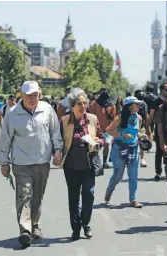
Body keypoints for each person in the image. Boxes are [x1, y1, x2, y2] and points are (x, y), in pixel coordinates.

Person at [0, 81, 62, 248]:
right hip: (21, 163)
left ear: (39, 95)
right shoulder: (12, 114)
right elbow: (5, 140)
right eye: (29, 96)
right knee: (24, 195)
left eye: (35, 95)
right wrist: (4, 162)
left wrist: (57, 150)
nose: (33, 99)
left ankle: (35, 225)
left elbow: (55, 132)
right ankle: (25, 230)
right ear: (22, 96)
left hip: (42, 162)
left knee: (37, 197)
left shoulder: (47, 109)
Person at [60, 88, 105, 241]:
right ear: (72, 105)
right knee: (73, 198)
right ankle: (75, 228)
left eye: (85, 103)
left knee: (89, 195)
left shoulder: (92, 118)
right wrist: (57, 153)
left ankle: (86, 223)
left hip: (88, 165)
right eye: (79, 103)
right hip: (71, 167)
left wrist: (99, 142)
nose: (83, 106)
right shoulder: (65, 121)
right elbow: (58, 141)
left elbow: (102, 137)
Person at [105, 96, 145, 208]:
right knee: (118, 175)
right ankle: (109, 191)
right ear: (130, 106)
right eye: (136, 104)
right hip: (119, 149)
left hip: (133, 148)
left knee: (133, 175)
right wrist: (123, 134)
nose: (139, 106)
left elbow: (137, 133)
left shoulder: (139, 118)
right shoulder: (120, 118)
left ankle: (133, 199)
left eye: (139, 104)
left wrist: (142, 136)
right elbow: (109, 130)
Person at [147, 82, 167, 181]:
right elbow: (151, 116)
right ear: (162, 90)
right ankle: (158, 172)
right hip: (159, 129)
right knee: (159, 151)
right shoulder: (156, 102)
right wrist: (148, 129)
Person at [89, 88, 116, 169]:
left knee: (107, 144)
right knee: (96, 145)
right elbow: (90, 116)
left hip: (107, 129)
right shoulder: (93, 104)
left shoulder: (111, 105)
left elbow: (114, 118)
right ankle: (95, 162)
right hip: (96, 129)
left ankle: (104, 162)